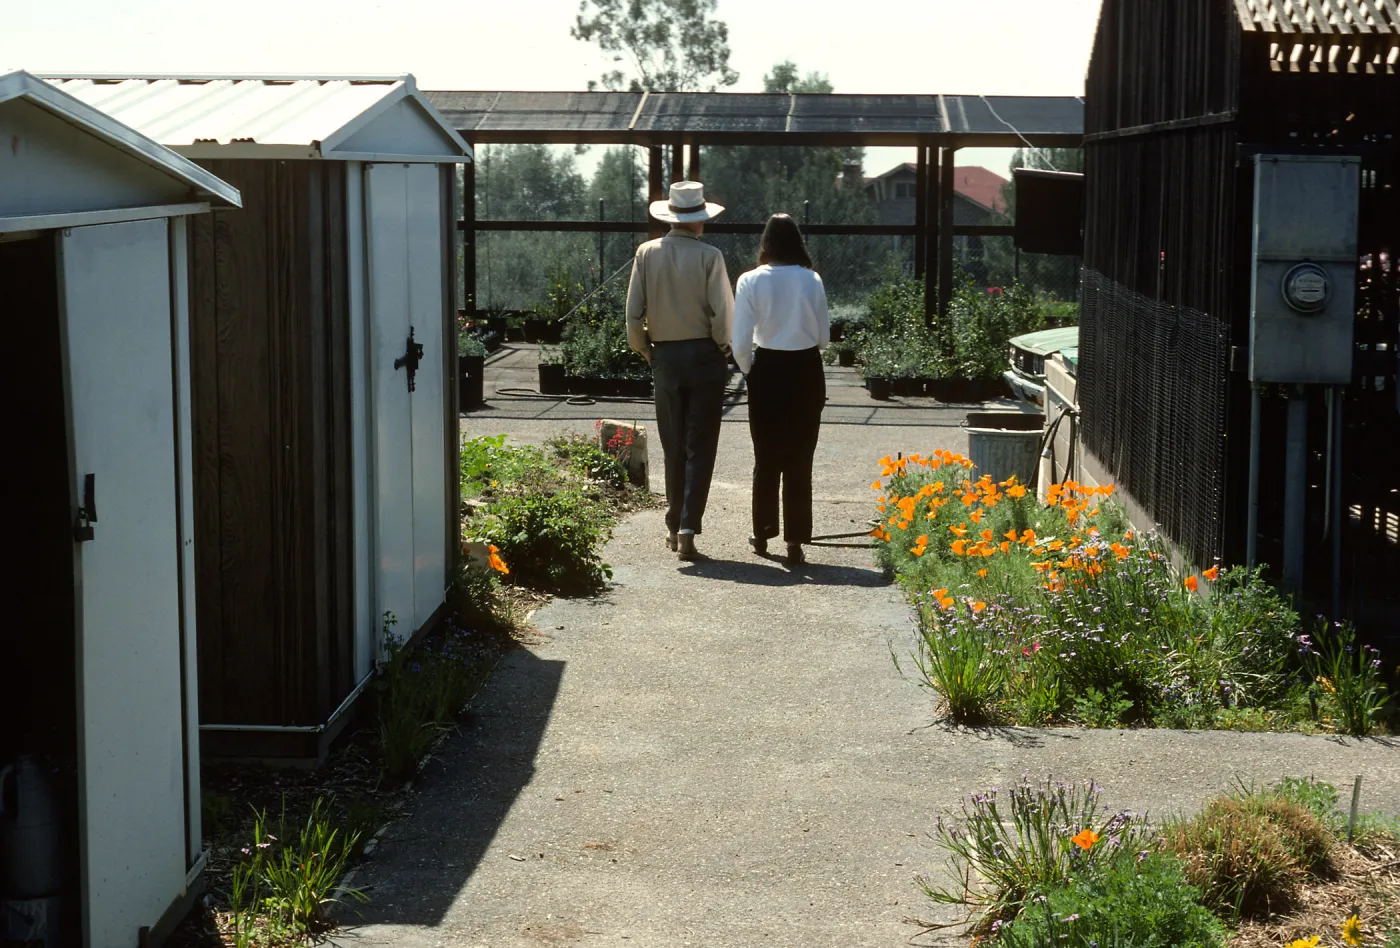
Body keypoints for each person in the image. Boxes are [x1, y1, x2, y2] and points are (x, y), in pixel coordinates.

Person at [626, 180, 734, 561]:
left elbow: (633, 313)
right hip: (705, 355)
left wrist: (645, 350)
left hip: (665, 358)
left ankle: (673, 524)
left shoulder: (646, 253)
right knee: (700, 445)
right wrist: (722, 348)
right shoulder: (710, 257)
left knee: (673, 443)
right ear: (700, 221)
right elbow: (724, 314)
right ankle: (689, 525)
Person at [732, 213, 830, 566]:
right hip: (805, 368)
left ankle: (762, 533)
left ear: (766, 243)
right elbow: (823, 338)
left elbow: (740, 340)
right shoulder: (811, 279)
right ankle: (796, 540)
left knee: (767, 456)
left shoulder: (749, 281)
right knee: (801, 458)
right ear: (797, 243)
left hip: (768, 368)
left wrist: (750, 371)